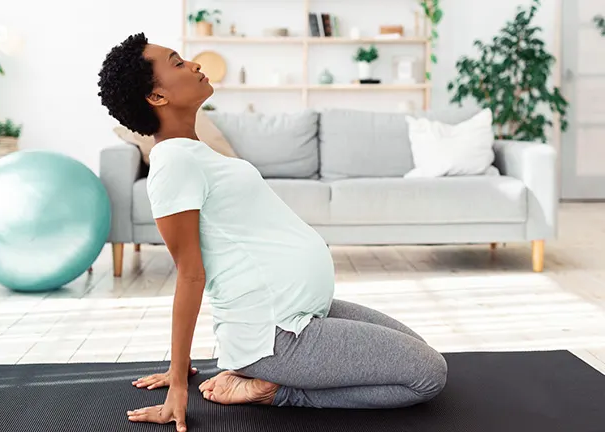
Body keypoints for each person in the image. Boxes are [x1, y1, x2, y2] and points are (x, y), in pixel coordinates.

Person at [97, 33, 448, 432]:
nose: (194, 64)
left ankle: (258, 371)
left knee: (420, 351)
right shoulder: (173, 164)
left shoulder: (195, 152)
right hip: (277, 336)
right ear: (157, 97)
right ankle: (277, 390)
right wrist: (177, 383)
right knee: (427, 375)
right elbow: (191, 274)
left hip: (300, 313)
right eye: (177, 63)